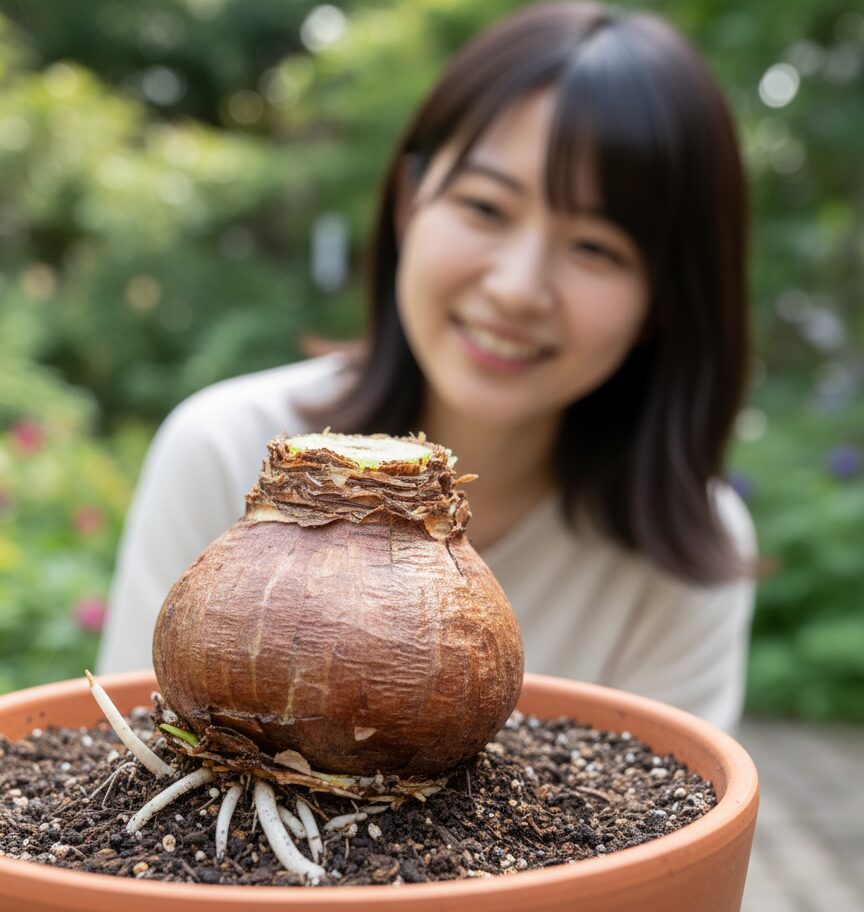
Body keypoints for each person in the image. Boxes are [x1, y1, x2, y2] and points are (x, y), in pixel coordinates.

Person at [98, 1, 756, 732]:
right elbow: (139, 766)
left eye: (596, 248)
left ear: (663, 301)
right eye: (485, 207)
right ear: (411, 204)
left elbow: (672, 843)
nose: (516, 287)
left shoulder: (683, 546)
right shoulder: (226, 453)